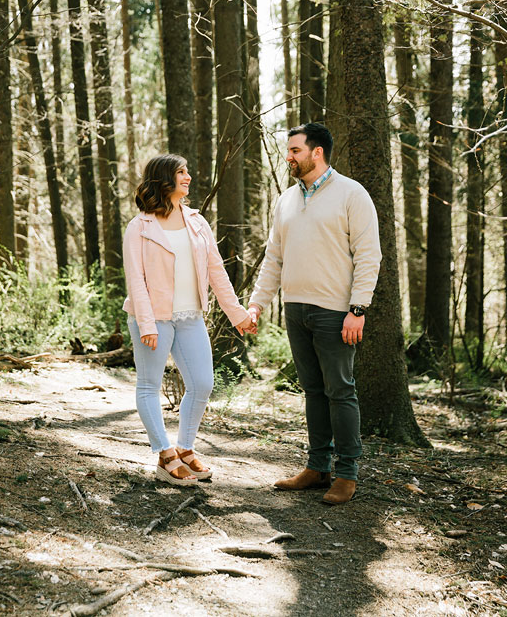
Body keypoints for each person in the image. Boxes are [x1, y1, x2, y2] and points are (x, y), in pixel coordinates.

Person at [247, 123, 381, 504]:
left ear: (316, 152)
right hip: (296, 309)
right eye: (288, 151)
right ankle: (317, 466)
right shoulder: (285, 200)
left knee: (341, 391)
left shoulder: (352, 194)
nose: (288, 156)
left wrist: (358, 308)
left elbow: (369, 254)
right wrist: (258, 302)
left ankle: (347, 474)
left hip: (336, 312)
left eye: (294, 150)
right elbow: (274, 256)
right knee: (312, 390)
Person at [123, 153, 256, 486]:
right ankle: (164, 455)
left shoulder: (197, 221)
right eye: (181, 172)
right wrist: (147, 324)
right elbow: (135, 279)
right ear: (164, 179)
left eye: (187, 171)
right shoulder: (139, 226)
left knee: (202, 384)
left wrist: (237, 315)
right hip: (152, 319)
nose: (188, 177)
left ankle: (185, 448)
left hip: (190, 316)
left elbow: (216, 272)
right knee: (149, 385)